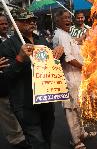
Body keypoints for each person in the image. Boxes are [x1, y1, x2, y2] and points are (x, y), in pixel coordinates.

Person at [0, 8, 64, 149]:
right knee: (36, 140)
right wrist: (19, 58)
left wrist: (60, 52)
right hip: (25, 103)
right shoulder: (6, 46)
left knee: (47, 136)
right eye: (26, 20)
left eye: (33, 20)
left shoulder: (41, 40)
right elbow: (6, 78)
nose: (31, 23)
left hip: (46, 99)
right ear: (14, 24)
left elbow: (54, 61)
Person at [53, 9, 95, 149]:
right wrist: (84, 67)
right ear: (57, 21)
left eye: (69, 18)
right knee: (71, 109)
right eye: (64, 18)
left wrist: (83, 38)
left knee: (79, 107)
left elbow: (75, 45)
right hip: (70, 78)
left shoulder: (66, 34)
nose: (68, 20)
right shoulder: (60, 35)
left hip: (77, 77)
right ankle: (76, 141)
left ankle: (82, 133)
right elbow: (68, 58)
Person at [0, 14, 28, 148]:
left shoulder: (12, 39)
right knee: (9, 118)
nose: (4, 26)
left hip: (15, 84)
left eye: (5, 23)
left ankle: (24, 137)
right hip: (2, 88)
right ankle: (18, 141)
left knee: (19, 114)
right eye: (1, 24)